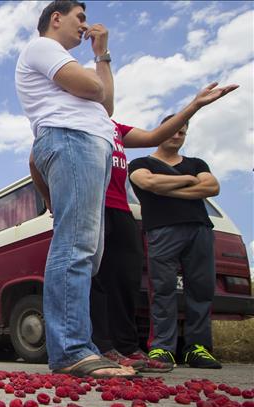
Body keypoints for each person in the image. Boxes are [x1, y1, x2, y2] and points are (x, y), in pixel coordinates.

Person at [32, 83, 237, 373]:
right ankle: (101, 347)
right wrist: (50, 199)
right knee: (95, 281)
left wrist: (194, 105)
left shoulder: (115, 128)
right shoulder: (72, 125)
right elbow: (35, 159)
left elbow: (156, 135)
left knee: (126, 281)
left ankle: (127, 347)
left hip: (121, 210)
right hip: (92, 206)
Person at [16, 1, 136, 378]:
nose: (84, 26)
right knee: (76, 244)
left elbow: (108, 102)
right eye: (79, 18)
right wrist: (98, 60)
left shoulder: (68, 59)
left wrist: (104, 56)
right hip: (71, 140)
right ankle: (70, 349)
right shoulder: (43, 47)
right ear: (56, 18)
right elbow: (93, 88)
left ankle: (77, 344)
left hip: (88, 144)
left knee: (89, 249)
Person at [128, 116, 224, 369]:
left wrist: (167, 189)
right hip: (161, 231)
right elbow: (147, 182)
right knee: (162, 290)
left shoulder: (196, 162)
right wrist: (191, 181)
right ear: (162, 131)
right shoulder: (141, 162)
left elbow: (212, 187)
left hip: (199, 229)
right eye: (173, 131)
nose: (177, 135)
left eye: (182, 132)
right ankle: (162, 348)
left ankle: (198, 348)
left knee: (201, 290)